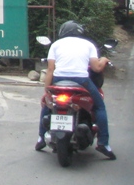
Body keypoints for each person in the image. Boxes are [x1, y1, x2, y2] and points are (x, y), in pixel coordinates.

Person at [35, 20, 115, 159]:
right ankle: (103, 143)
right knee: (99, 107)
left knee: (47, 105)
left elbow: (50, 70)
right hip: (81, 81)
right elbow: (96, 68)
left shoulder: (56, 45)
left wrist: (46, 92)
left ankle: (41, 138)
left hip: (59, 80)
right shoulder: (88, 44)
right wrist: (104, 59)